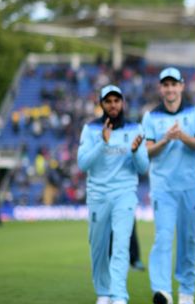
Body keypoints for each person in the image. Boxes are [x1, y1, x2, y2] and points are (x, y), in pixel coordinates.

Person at [143, 67, 195, 304]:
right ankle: (162, 291)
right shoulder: (151, 117)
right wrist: (165, 140)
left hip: (189, 186)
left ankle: (186, 290)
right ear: (161, 88)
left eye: (174, 84)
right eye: (166, 84)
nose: (170, 89)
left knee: (188, 238)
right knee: (162, 237)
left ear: (181, 86)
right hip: (163, 187)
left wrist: (183, 137)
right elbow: (147, 151)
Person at [78, 85, 149, 304]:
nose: (113, 105)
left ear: (122, 103)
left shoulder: (135, 128)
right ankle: (103, 293)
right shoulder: (90, 130)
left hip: (124, 195)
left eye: (116, 100)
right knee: (98, 247)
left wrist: (136, 152)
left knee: (120, 245)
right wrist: (102, 142)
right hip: (98, 195)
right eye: (108, 101)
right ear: (101, 104)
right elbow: (82, 164)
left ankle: (119, 296)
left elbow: (143, 167)